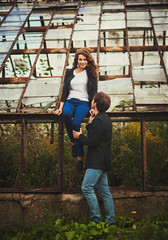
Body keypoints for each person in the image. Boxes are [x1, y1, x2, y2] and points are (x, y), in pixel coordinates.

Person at [73, 92, 115, 225]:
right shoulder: (105, 119)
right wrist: (91, 120)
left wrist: (79, 136)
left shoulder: (99, 120)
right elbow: (97, 137)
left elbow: (91, 141)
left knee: (86, 188)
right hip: (103, 160)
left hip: (96, 162)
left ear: (95, 104)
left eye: (93, 100)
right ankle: (110, 222)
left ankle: (95, 220)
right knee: (104, 191)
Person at [54, 48, 98, 170]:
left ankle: (80, 158)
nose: (82, 62)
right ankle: (73, 142)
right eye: (80, 59)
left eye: (85, 59)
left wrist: (94, 108)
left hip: (83, 102)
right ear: (76, 60)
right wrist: (60, 108)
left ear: (88, 61)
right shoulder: (69, 72)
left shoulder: (92, 74)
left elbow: (94, 93)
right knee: (66, 114)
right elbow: (64, 92)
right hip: (70, 100)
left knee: (76, 123)